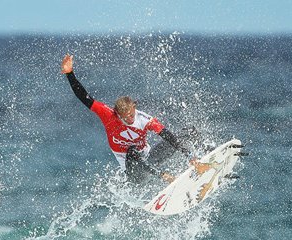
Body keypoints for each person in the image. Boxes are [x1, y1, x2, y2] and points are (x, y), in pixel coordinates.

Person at [61, 53, 204, 183]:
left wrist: (188, 155)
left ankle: (202, 157)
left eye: (131, 114)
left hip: (150, 160)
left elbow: (167, 136)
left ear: (134, 107)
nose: (130, 118)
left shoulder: (144, 119)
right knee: (132, 151)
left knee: (189, 132)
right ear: (118, 114)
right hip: (134, 173)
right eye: (125, 117)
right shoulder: (109, 115)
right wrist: (69, 74)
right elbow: (84, 97)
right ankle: (165, 176)